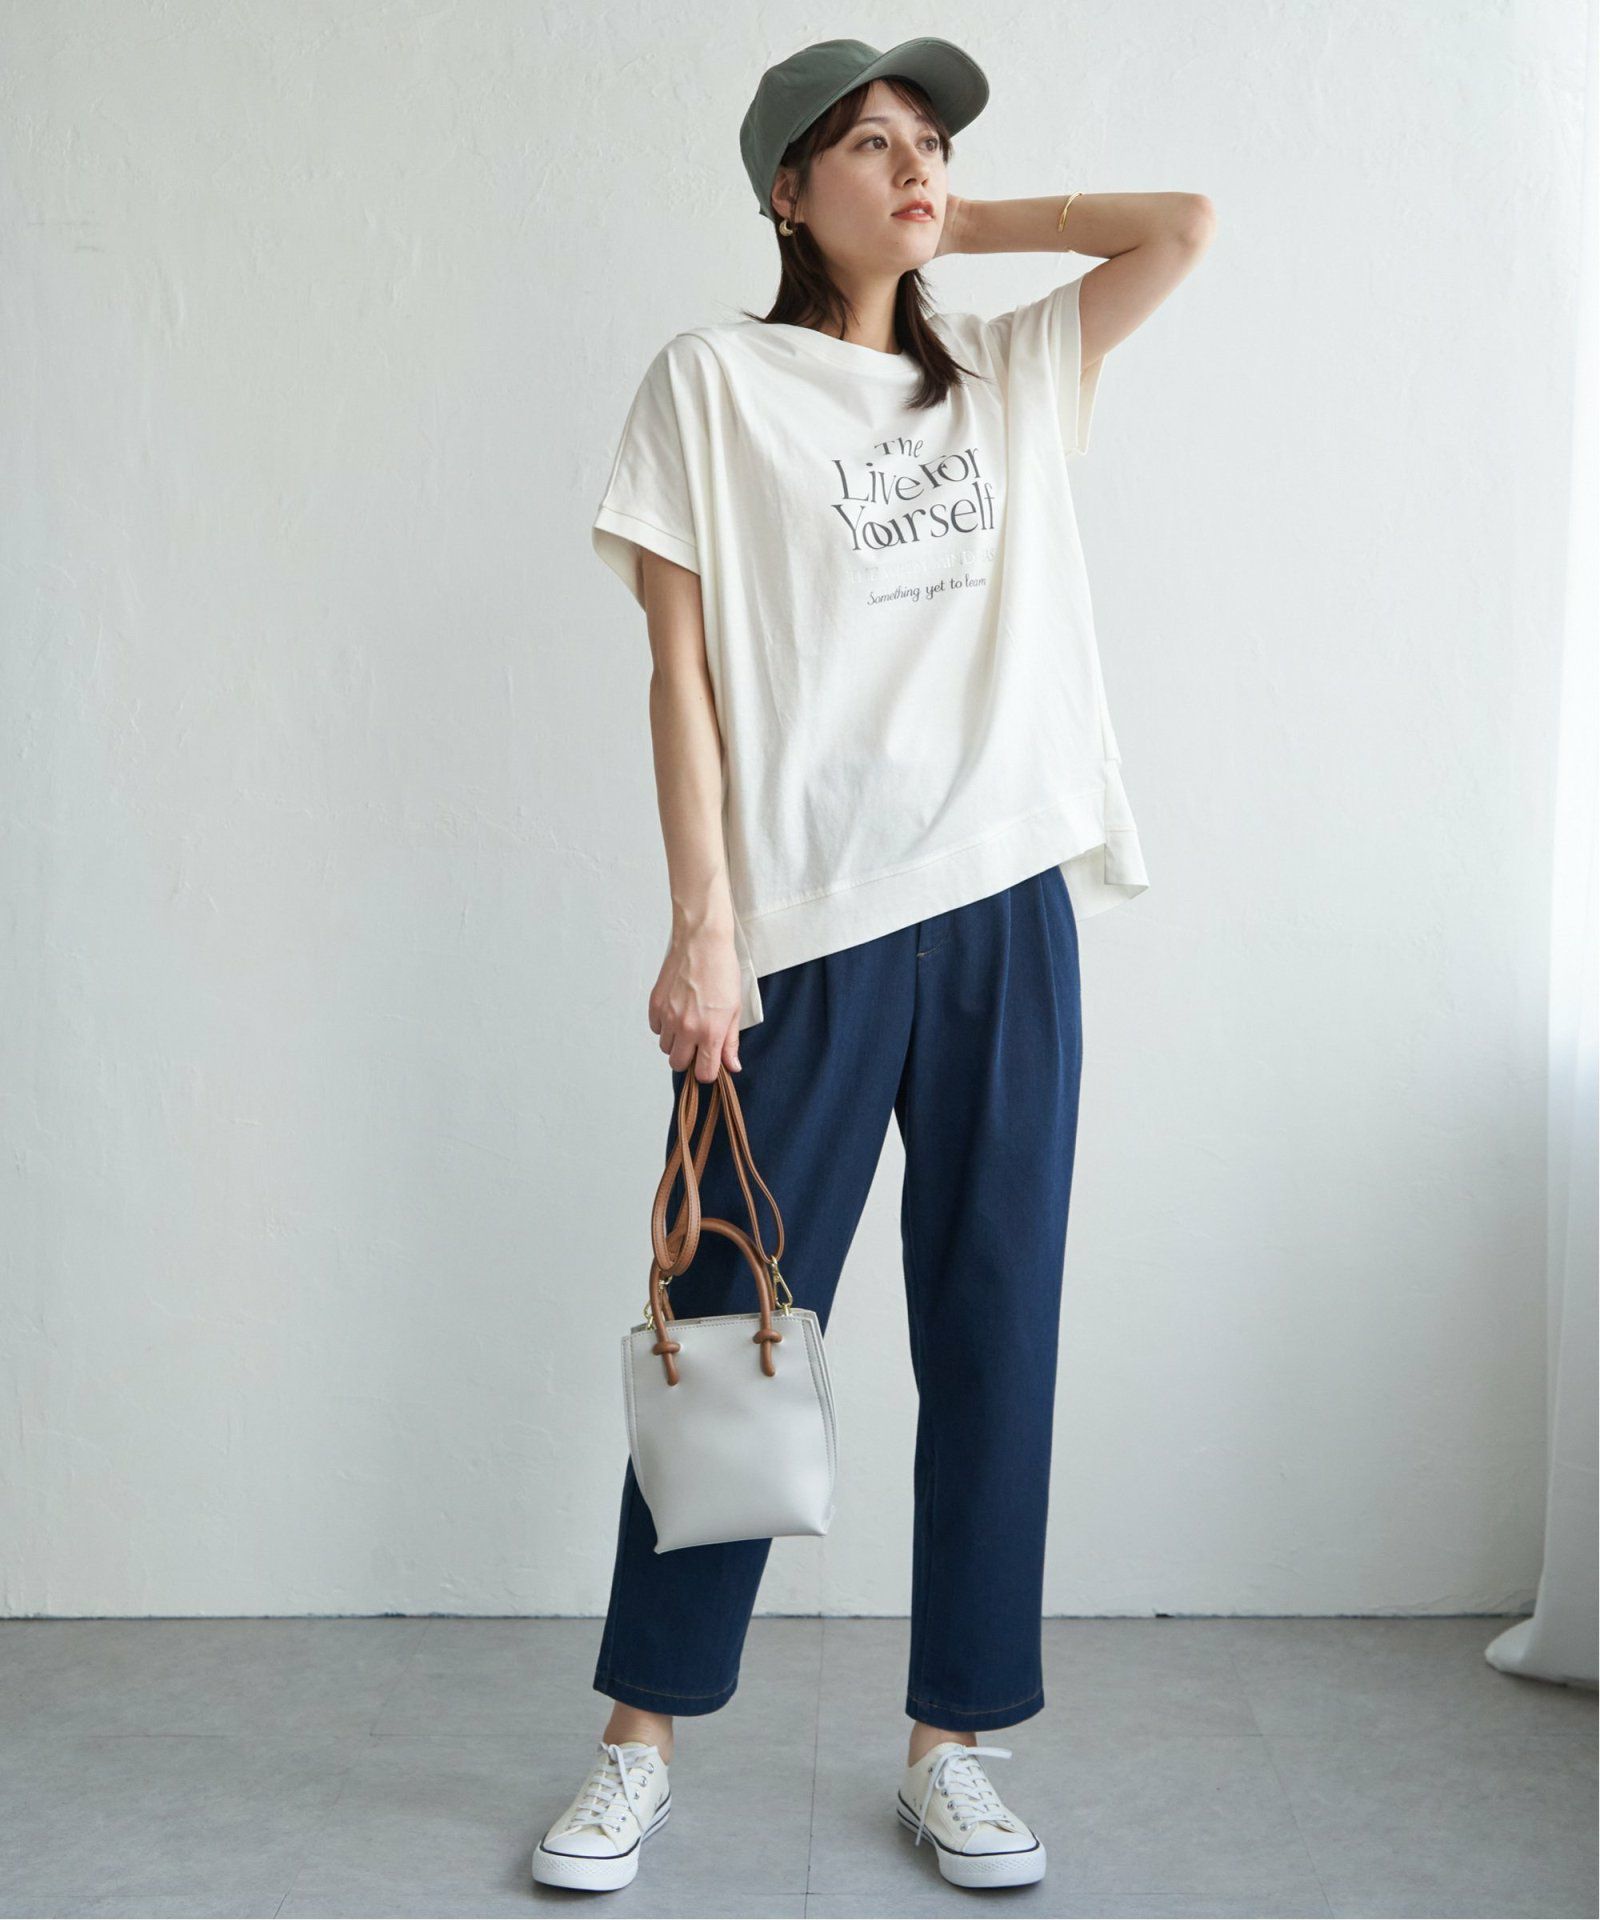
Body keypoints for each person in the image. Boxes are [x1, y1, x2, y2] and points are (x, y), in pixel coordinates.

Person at [534, 35, 1215, 1895]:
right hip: (807, 926)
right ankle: (638, 1743)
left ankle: (955, 1747)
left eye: (929, 141)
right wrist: (703, 921)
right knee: (729, 1325)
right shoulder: (713, 382)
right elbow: (679, 672)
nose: (913, 163)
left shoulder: (1006, 370)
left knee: (997, 1325)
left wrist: (944, 230)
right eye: (867, 144)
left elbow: (1180, 225)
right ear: (783, 189)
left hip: (1005, 905)